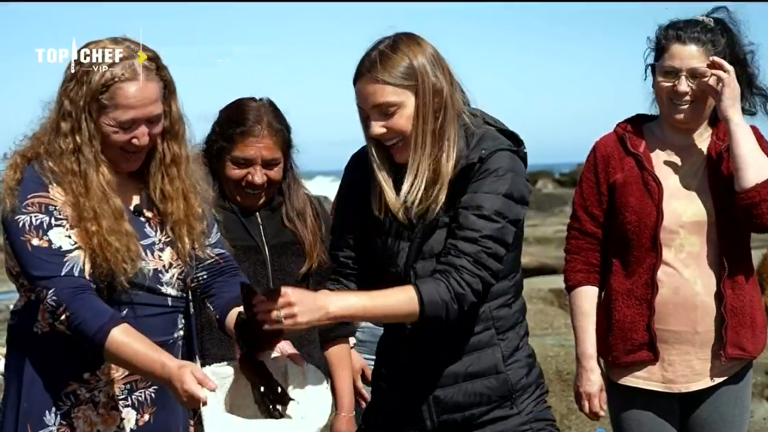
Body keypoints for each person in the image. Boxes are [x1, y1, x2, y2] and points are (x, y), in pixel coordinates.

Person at [253, 31, 560, 432]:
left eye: (387, 111)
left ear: (432, 97)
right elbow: (343, 276)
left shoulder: (491, 161)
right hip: (400, 403)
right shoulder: (365, 170)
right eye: (365, 115)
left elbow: (456, 288)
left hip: (495, 406)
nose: (375, 128)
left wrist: (327, 305)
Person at [0, 37, 247, 432]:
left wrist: (249, 326)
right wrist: (166, 368)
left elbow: (214, 269)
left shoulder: (170, 179)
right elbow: (71, 299)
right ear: (82, 119)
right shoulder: (39, 184)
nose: (143, 138)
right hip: (70, 401)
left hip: (165, 395)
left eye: (154, 120)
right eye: (124, 125)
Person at [564, 6, 768, 432]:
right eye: (668, 73)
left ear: (720, 79)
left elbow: (763, 212)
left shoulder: (741, 145)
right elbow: (584, 258)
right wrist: (586, 361)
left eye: (696, 76)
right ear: (652, 74)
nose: (681, 88)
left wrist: (733, 116)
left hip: (723, 364)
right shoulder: (613, 152)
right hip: (636, 366)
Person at [197, 96, 359, 432]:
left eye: (271, 164)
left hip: (309, 404)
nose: (257, 178)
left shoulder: (310, 217)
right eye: (241, 163)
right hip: (217, 407)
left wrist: (344, 414)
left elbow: (335, 326)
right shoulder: (193, 220)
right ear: (215, 156)